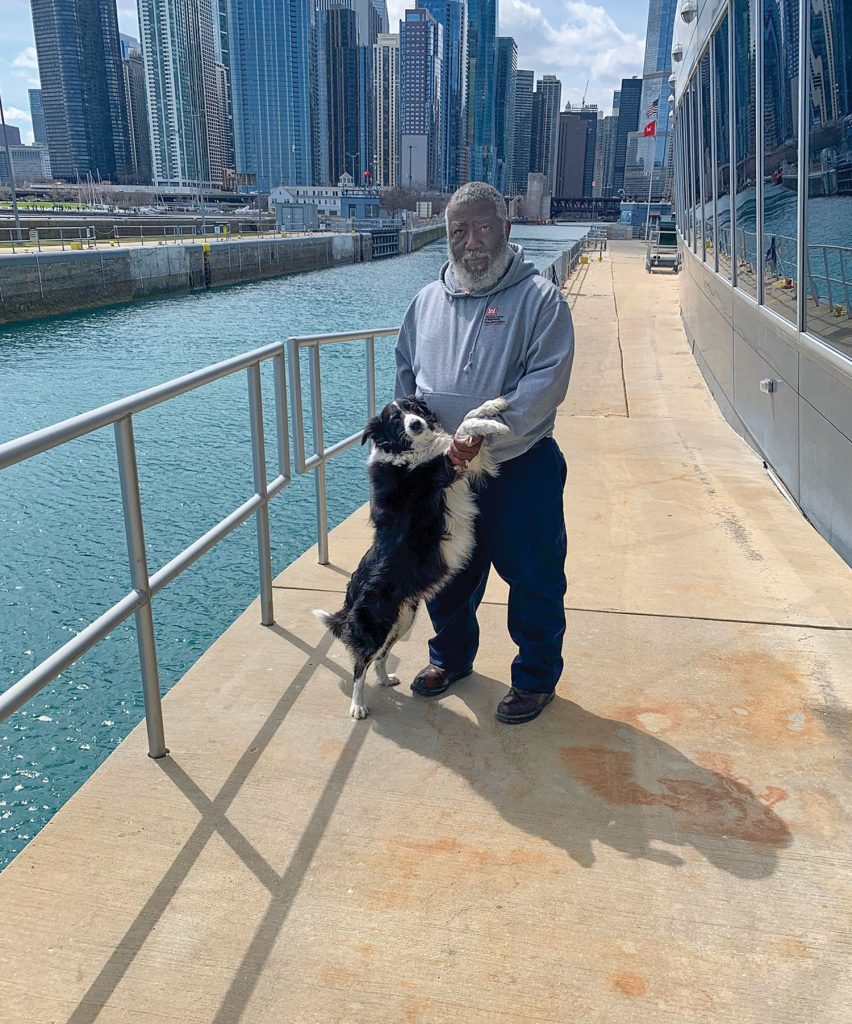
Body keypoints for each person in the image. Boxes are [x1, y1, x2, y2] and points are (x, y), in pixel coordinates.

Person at [394, 182, 575, 724]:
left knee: (534, 578)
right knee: (447, 574)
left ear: (506, 228)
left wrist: (484, 433)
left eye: (481, 227)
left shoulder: (541, 299)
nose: (470, 242)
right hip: (445, 472)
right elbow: (405, 372)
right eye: (457, 230)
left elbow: (546, 381)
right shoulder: (425, 302)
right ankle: (450, 659)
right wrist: (416, 433)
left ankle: (535, 679)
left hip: (519, 467)